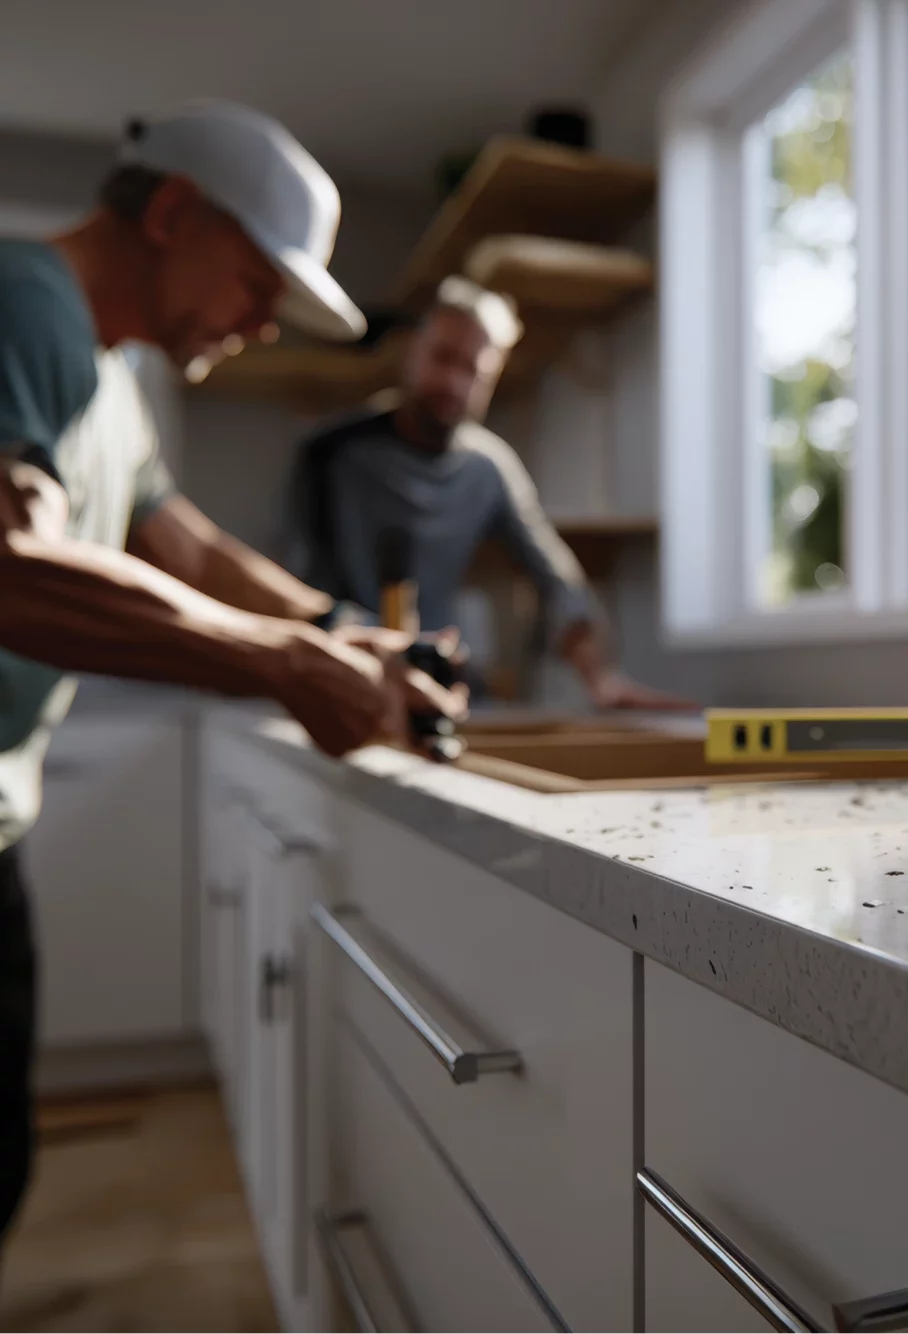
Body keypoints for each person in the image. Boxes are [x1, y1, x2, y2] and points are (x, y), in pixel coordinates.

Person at [0, 102, 466, 1249]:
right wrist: (283, 663)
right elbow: (11, 568)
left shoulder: (107, 379)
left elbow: (187, 545)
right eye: (262, 283)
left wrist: (339, 627)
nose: (265, 325)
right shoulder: (23, 301)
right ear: (171, 212)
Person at [287, 277, 691, 711]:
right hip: (345, 672)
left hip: (441, 678)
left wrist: (601, 679)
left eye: (473, 372)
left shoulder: (489, 468)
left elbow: (555, 578)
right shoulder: (334, 451)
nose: (453, 384)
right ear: (413, 351)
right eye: (442, 358)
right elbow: (299, 578)